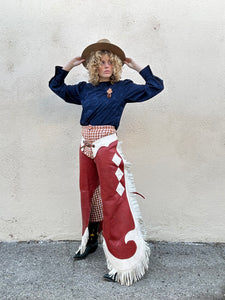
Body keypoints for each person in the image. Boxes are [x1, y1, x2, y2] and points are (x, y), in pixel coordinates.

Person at [49, 39, 164, 286]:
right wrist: (68, 66)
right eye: (101, 62)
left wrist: (138, 67)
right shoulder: (84, 89)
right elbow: (56, 87)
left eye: (110, 62)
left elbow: (156, 86)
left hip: (106, 147)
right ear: (93, 66)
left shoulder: (123, 88)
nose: (106, 66)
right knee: (89, 194)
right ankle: (91, 240)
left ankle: (123, 262)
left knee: (114, 199)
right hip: (85, 146)